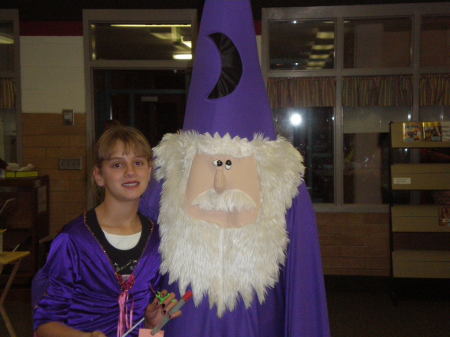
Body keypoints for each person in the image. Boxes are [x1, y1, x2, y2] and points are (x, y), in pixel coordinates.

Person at [140, 1, 331, 336]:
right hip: (183, 323)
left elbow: (302, 283)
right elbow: (138, 258)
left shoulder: (284, 184)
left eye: (232, 164)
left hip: (258, 325)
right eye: (209, 163)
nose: (219, 180)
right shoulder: (167, 179)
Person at [33, 125, 177, 337]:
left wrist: (151, 323)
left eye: (138, 163)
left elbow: (149, 328)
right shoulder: (73, 240)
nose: (130, 172)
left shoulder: (157, 240)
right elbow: (44, 325)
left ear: (149, 171)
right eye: (117, 164)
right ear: (99, 176)